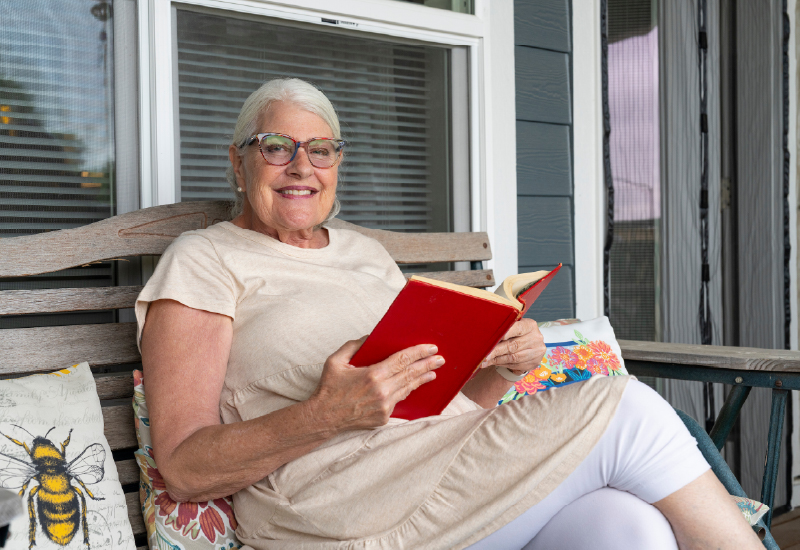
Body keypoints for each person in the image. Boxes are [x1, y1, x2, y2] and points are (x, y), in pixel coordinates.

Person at [136, 78, 761, 549]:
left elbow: (434, 409)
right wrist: (326, 414)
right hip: (334, 511)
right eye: (277, 147)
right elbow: (187, 469)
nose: (302, 165)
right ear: (237, 162)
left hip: (433, 473)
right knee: (626, 407)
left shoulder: (364, 253)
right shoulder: (205, 258)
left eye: (321, 150)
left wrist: (501, 368)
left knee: (628, 528)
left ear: (337, 166)